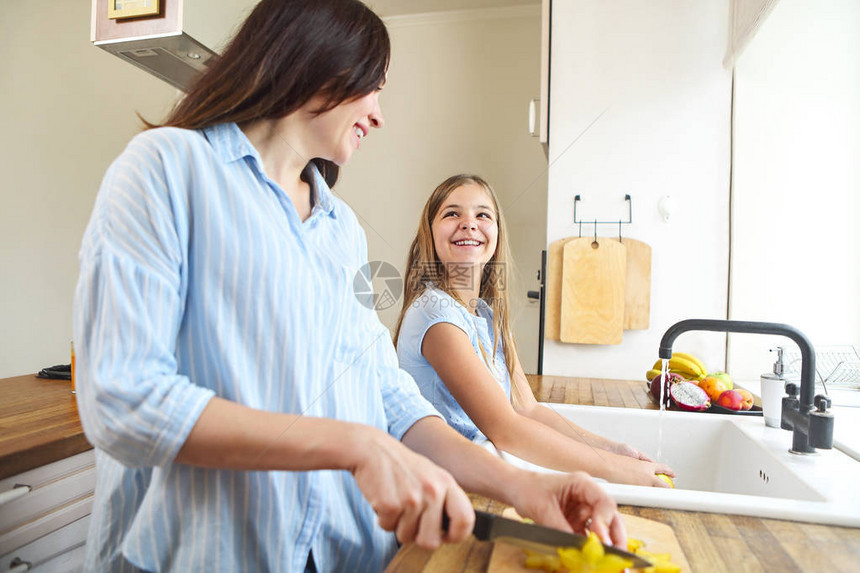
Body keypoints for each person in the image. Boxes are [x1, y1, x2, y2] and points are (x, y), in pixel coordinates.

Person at [73, 2, 628, 571]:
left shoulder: (341, 229)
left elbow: (390, 399)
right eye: (373, 88)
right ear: (317, 60)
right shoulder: (167, 169)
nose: (378, 115)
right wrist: (354, 445)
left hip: (346, 553)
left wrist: (524, 489)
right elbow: (123, 399)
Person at [395, 174, 676, 488]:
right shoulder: (436, 313)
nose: (469, 223)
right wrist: (615, 470)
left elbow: (527, 409)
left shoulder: (487, 315)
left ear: (497, 233)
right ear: (429, 232)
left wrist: (615, 451)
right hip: (440, 487)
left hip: (477, 474)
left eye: (482, 215)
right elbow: (506, 429)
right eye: (452, 213)